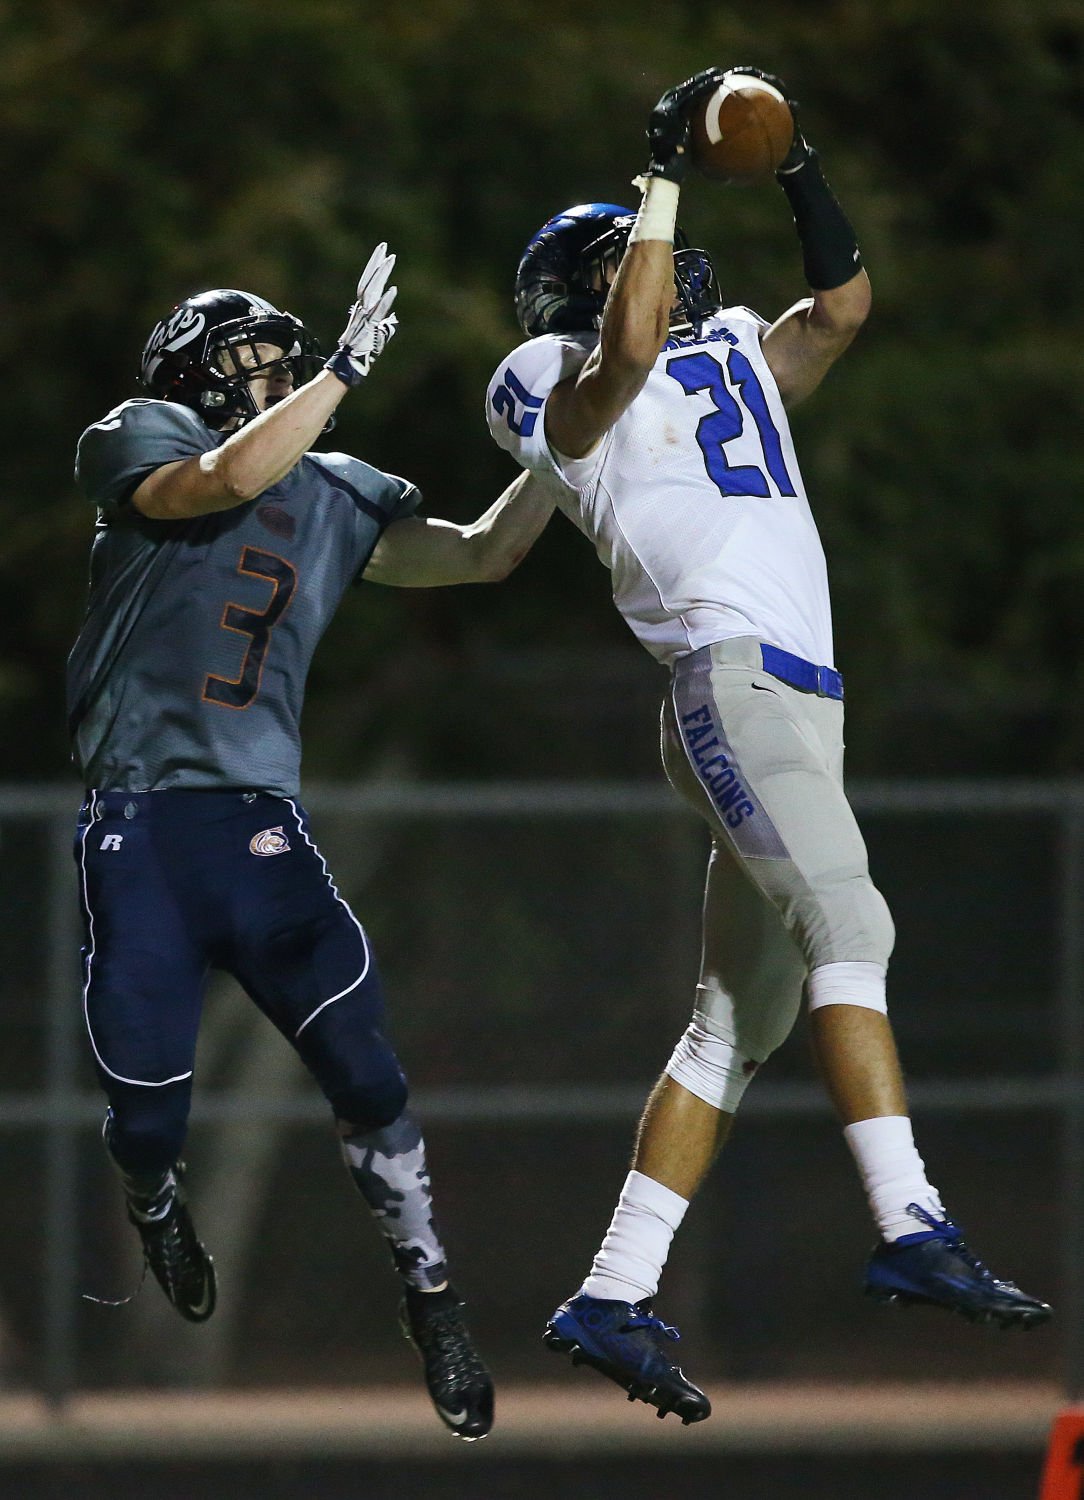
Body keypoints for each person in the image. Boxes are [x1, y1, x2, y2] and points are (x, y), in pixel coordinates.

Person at [485, 67, 1051, 1424]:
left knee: (740, 1020)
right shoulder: (551, 377)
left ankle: (612, 1293)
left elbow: (845, 307)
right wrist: (664, 178)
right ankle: (911, 1218)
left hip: (804, 698)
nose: (666, 279)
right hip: (727, 679)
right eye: (636, 262)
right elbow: (617, 355)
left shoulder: (734, 344)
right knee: (852, 920)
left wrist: (797, 166)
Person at [69, 245, 556, 1441]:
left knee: (367, 1070)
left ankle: (432, 1294)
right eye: (248, 355)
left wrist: (565, 448)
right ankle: (153, 1199)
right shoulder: (137, 438)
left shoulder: (338, 486)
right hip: (140, 831)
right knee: (145, 1115)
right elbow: (217, 483)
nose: (272, 367)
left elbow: (481, 552)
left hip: (261, 827)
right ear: (190, 372)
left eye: (283, 353)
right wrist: (338, 369)